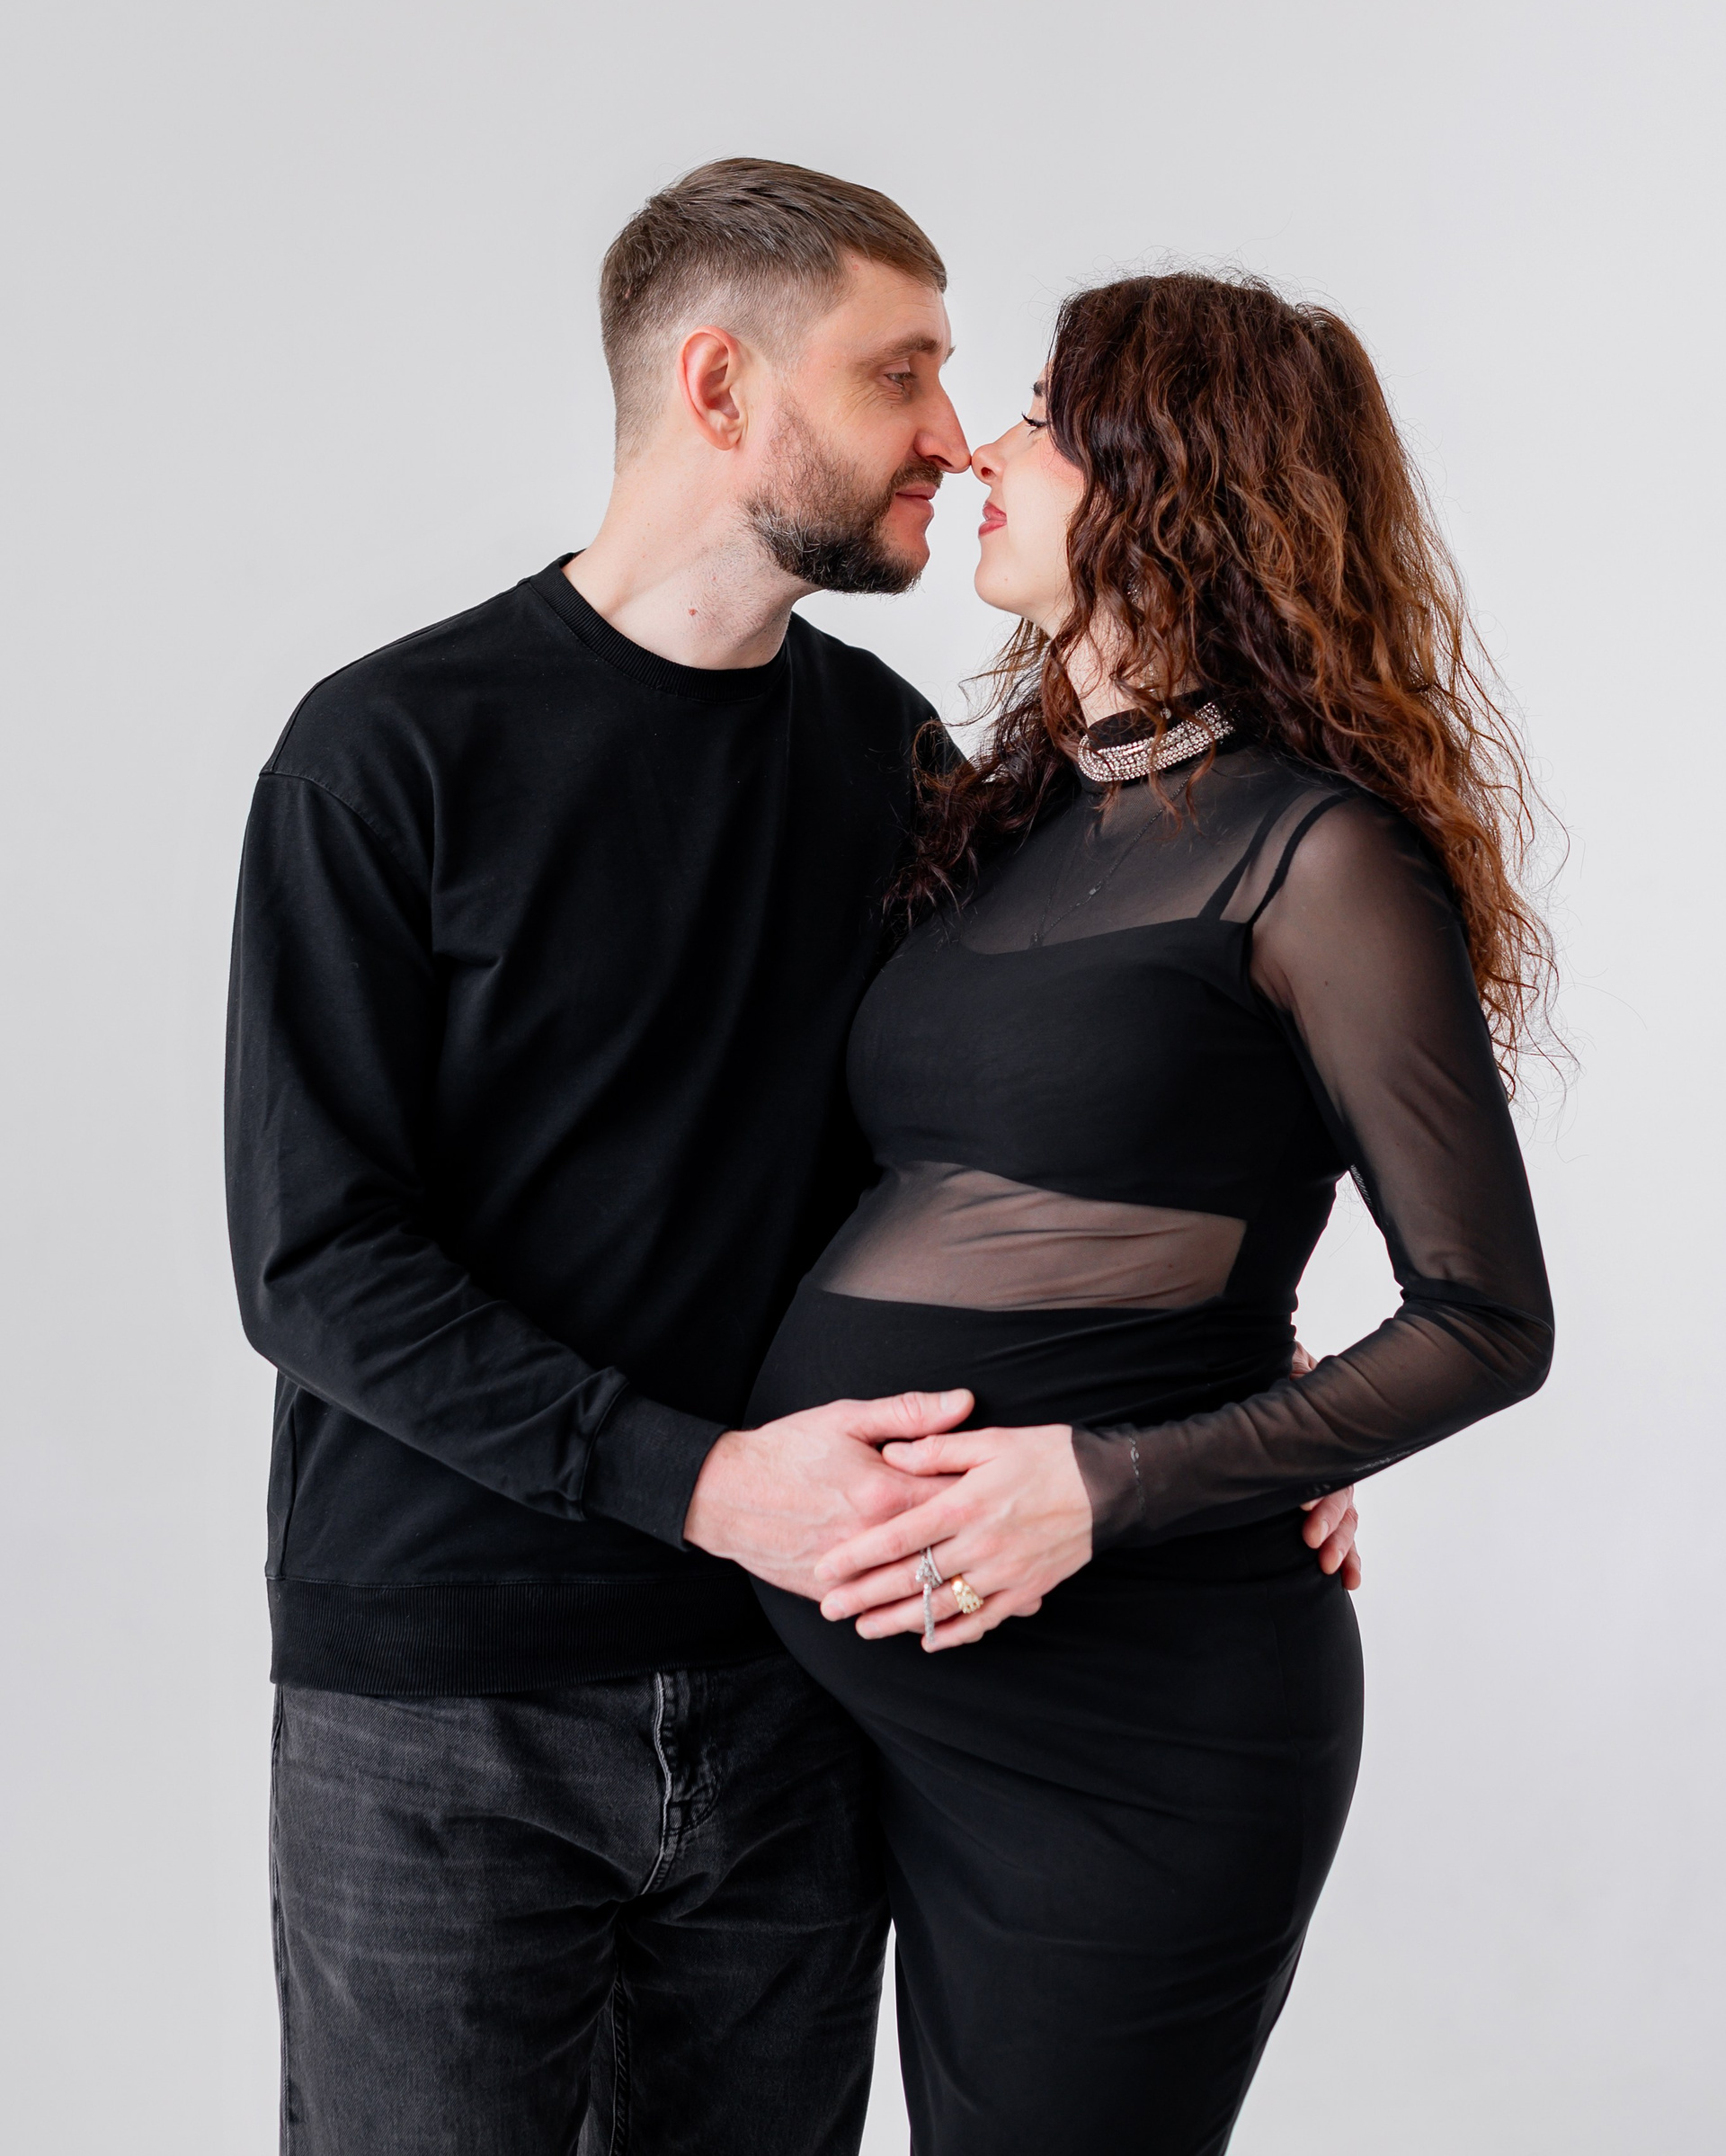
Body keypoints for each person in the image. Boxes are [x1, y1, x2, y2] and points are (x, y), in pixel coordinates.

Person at [226, 165, 1360, 2156]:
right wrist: (705, 1482)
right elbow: (314, 1262)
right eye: (897, 371)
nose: (954, 431)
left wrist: (1225, 1400)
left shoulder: (899, 765)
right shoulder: (388, 751)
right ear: (721, 386)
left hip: (804, 1699)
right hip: (449, 1704)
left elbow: (1045, 1130)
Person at [743, 272, 1555, 2156]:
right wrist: (1250, 1398)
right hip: (894, 1695)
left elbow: (1487, 1318)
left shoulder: (1317, 855)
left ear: (1173, 476)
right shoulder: (1014, 820)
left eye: (1043, 418)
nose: (984, 448)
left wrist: (1115, 1479)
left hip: (1140, 1723)